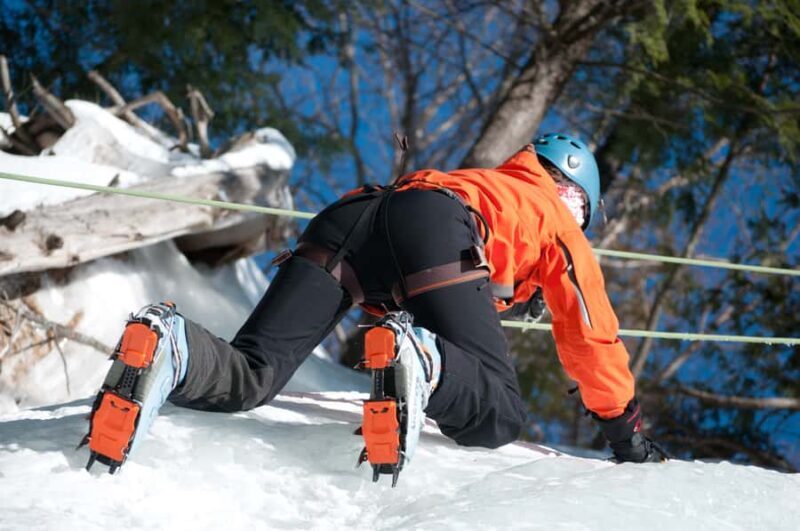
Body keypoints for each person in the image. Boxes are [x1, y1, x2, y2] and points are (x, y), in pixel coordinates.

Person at [81, 133, 666, 474]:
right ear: (570, 191)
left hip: (353, 215)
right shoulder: (556, 220)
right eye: (585, 211)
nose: (582, 223)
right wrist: (625, 434)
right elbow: (590, 330)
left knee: (252, 376)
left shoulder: (488, 183)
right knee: (499, 413)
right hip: (434, 228)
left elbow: (469, 270)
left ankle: (171, 345)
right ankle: (426, 360)